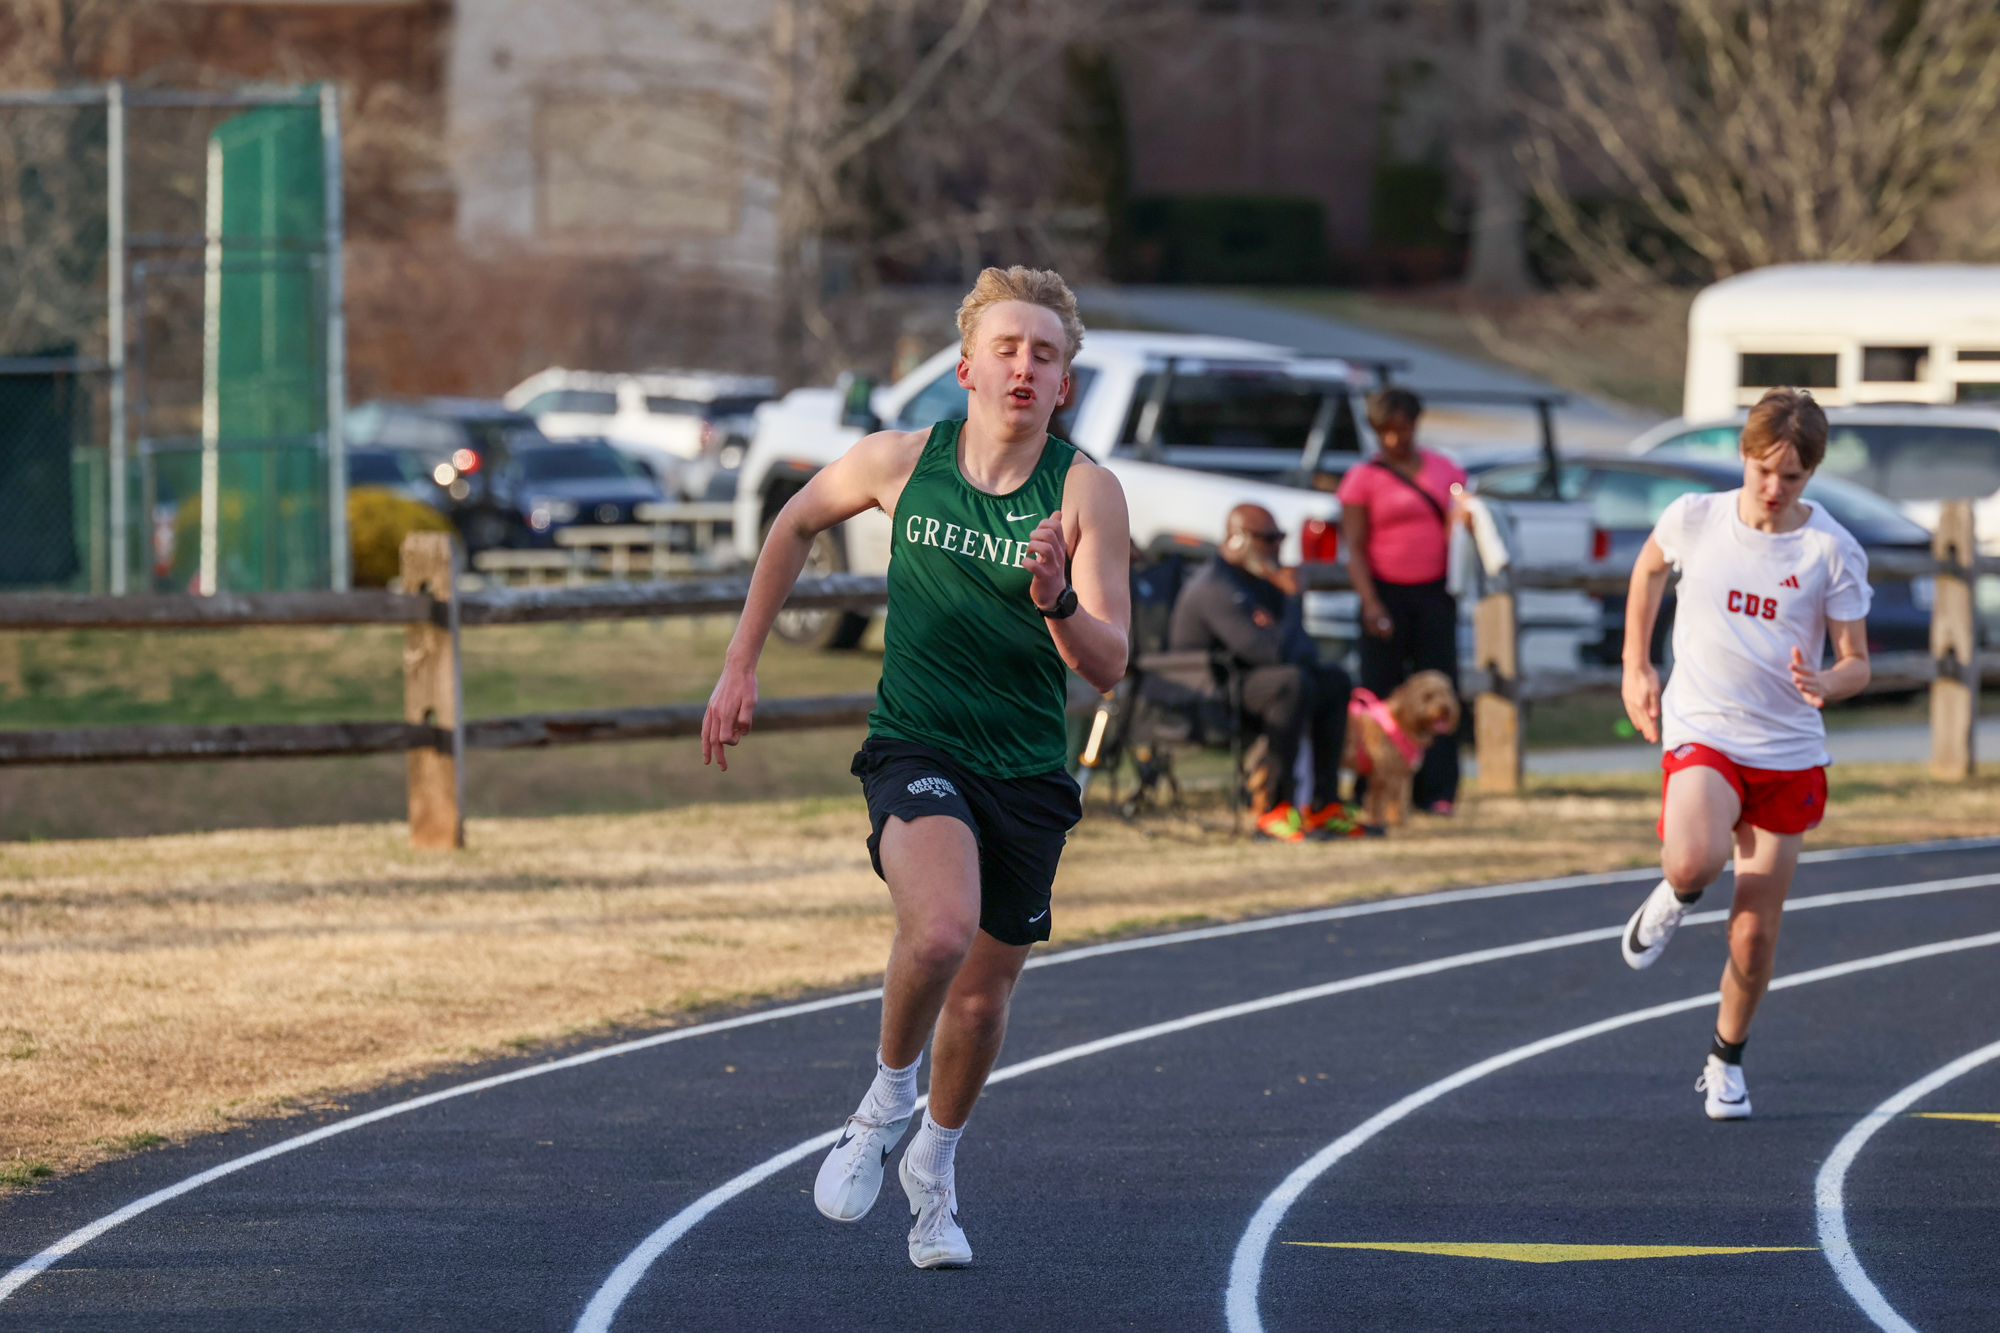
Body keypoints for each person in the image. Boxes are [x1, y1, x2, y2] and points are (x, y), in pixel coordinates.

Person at [701, 267, 1129, 1268]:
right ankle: (881, 1104)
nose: (1024, 367)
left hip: (1026, 768)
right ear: (966, 367)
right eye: (1006, 348)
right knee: (937, 931)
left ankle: (934, 1164)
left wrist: (1058, 600)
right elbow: (795, 521)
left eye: (1045, 355)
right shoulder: (900, 460)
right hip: (918, 742)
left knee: (980, 999)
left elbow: (1109, 664)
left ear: (1064, 384)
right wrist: (741, 659)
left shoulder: (1084, 491)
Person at [1617, 388, 1870, 1120]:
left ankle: (1725, 1060)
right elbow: (1648, 570)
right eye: (1764, 470)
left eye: (1792, 476)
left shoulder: (1830, 549)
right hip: (1706, 725)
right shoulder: (1695, 517)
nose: (1773, 488)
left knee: (1754, 935)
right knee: (1694, 860)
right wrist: (1637, 663)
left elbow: (1857, 662)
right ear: (1744, 456)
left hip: (1786, 749)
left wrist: (1828, 681)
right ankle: (1676, 893)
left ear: (1811, 474)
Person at [1167, 503, 1362, 841]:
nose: (1278, 546)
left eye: (1281, 537)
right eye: (1269, 538)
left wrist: (1281, 617)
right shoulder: (1215, 586)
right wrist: (1293, 599)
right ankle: (1275, 808)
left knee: (1333, 680)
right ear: (1238, 539)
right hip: (1206, 694)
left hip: (1253, 683)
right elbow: (1268, 653)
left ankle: (1323, 806)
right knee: (1291, 683)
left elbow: (1304, 652)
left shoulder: (1262, 580)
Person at [1336, 387, 1468, 814]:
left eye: (1403, 428)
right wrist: (1370, 603)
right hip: (1384, 594)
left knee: (1440, 692)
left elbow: (1461, 514)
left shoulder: (1444, 470)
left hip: (1434, 593)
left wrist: (1464, 514)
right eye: (1385, 432)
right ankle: (1371, 784)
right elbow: (1355, 548)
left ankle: (1438, 790)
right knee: (1379, 696)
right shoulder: (1363, 478)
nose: (1395, 439)